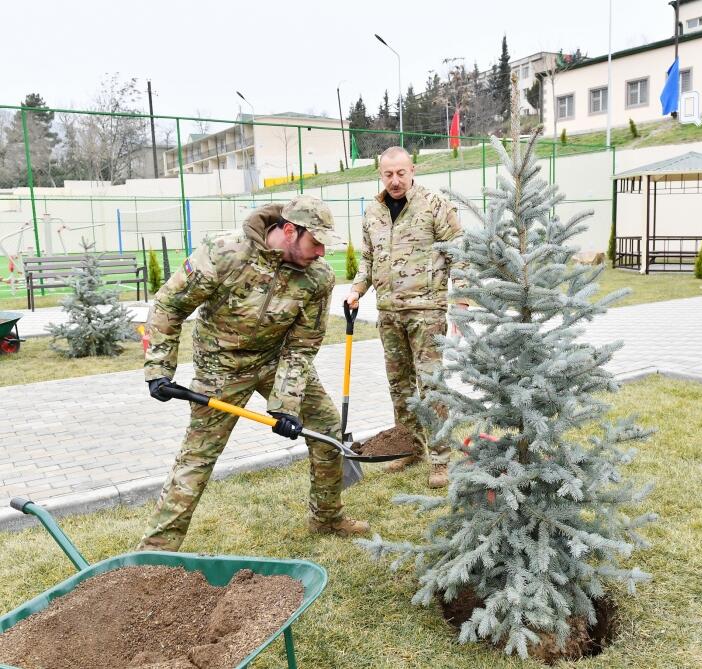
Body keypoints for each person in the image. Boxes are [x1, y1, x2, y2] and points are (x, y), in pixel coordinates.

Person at [137, 195, 369, 551]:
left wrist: (285, 404)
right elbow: (170, 304)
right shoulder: (225, 252)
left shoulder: (318, 278)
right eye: (316, 242)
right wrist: (158, 367)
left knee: (325, 428)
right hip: (220, 366)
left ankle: (327, 517)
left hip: (276, 359)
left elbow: (302, 345)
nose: (322, 252)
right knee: (198, 456)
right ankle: (156, 550)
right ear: (290, 231)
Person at [345, 146, 468, 489]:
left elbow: (459, 251)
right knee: (399, 387)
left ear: (412, 169)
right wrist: (357, 290)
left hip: (425, 311)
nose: (395, 180)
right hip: (388, 312)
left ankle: (440, 459)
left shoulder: (433, 204)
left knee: (431, 386)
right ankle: (408, 447)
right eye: (388, 174)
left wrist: (463, 298)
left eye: (401, 173)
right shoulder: (372, 211)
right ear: (380, 174)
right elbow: (368, 259)